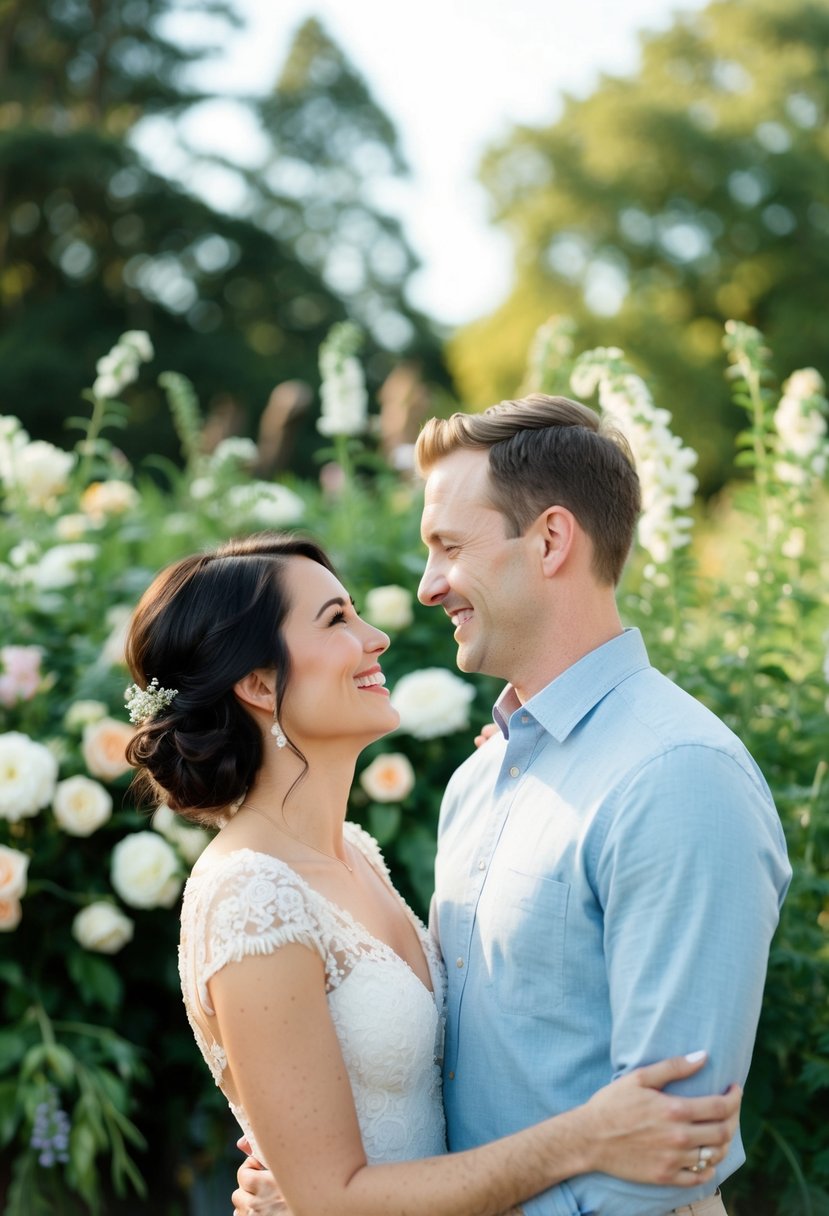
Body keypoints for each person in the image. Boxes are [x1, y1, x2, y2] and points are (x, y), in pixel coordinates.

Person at [232, 394, 791, 1216]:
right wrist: (333, 1179)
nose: (426, 587)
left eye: (448, 547)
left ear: (552, 540)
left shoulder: (676, 777)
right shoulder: (479, 781)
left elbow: (666, 1151)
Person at [123, 532, 741, 1216]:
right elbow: (332, 1199)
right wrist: (586, 1139)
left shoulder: (354, 851)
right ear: (261, 684)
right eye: (336, 620)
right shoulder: (248, 893)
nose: (376, 636)